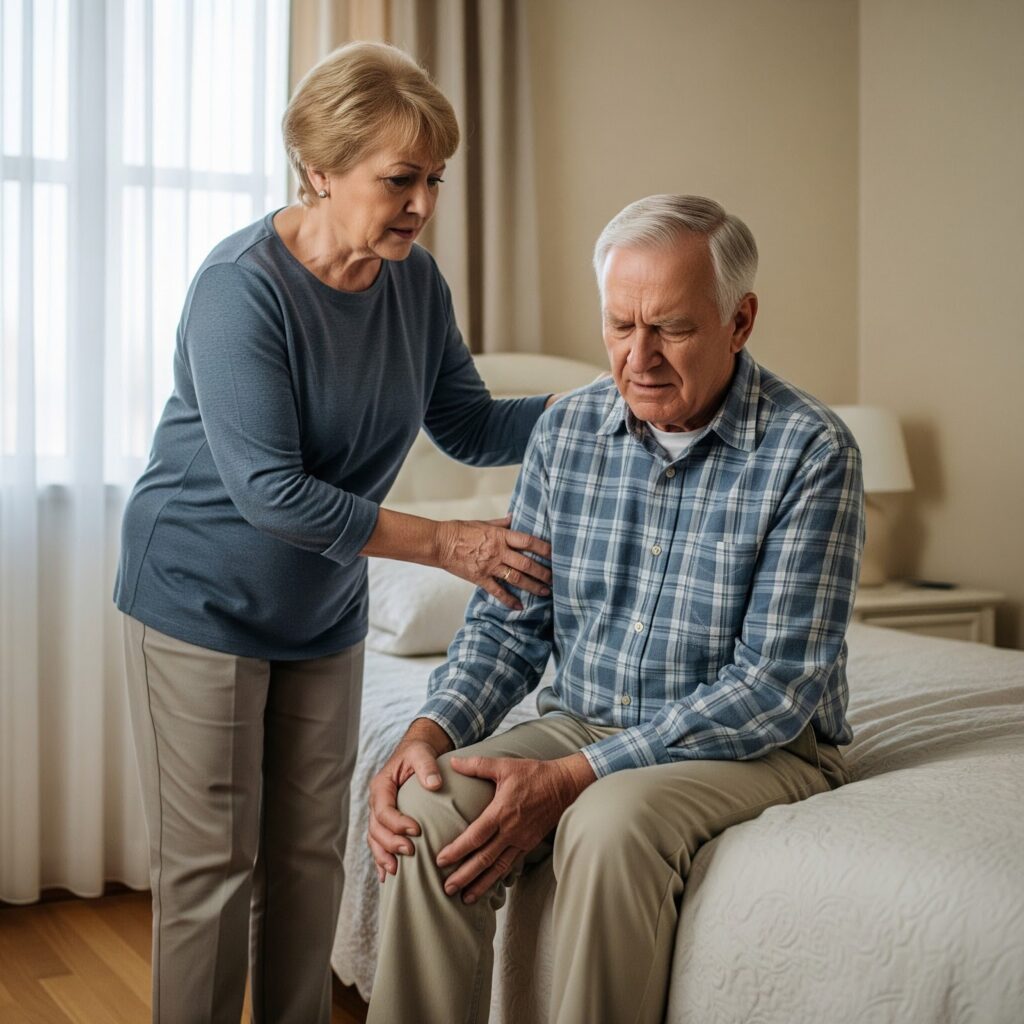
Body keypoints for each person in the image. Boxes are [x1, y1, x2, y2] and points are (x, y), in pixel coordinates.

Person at [114, 42, 559, 1024]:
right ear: (319, 168)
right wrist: (453, 546)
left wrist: (602, 401)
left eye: (433, 180)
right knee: (210, 872)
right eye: (399, 179)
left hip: (320, 606)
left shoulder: (414, 285)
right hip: (199, 596)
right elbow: (273, 491)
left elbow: (471, 425)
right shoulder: (241, 288)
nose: (421, 204)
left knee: (309, 861)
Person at [367, 194, 865, 1024]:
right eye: (620, 325)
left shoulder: (811, 451)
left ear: (740, 322)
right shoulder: (566, 431)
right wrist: (433, 730)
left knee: (606, 822)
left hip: (756, 744)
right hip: (581, 717)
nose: (640, 357)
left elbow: (776, 687)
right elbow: (510, 623)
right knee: (427, 805)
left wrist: (573, 778)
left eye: (671, 327)